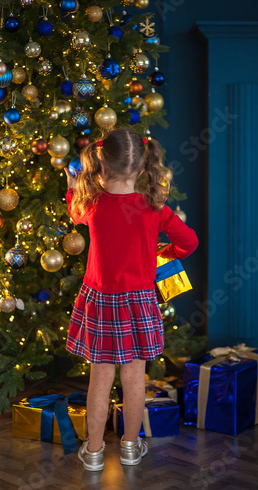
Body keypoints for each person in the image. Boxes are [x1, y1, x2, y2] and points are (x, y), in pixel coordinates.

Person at [64, 128, 198, 472]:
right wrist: (164, 255)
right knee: (134, 378)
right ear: (142, 169)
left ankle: (93, 453)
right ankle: (128, 448)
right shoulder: (156, 208)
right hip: (138, 302)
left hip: (99, 301)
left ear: (100, 165)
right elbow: (189, 243)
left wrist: (70, 185)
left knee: (99, 379)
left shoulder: (91, 203)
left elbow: (74, 211)